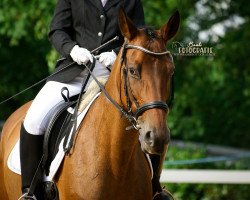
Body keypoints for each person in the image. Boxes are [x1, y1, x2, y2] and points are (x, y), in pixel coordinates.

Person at [19, 0, 171, 199]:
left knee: (153, 118)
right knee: (34, 118)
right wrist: (72, 49)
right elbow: (57, 30)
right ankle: (30, 192)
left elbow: (139, 37)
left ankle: (154, 188)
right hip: (74, 71)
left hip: (115, 74)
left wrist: (116, 54)